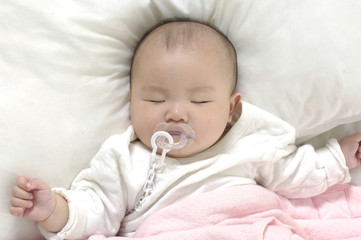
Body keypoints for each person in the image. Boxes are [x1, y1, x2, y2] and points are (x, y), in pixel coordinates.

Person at [9, 19, 361, 239]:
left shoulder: (249, 141)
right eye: (155, 100)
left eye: (200, 102)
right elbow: (95, 211)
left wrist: (341, 155)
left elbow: (293, 173)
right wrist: (53, 209)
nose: (176, 113)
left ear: (230, 108)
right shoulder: (124, 158)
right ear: (131, 101)